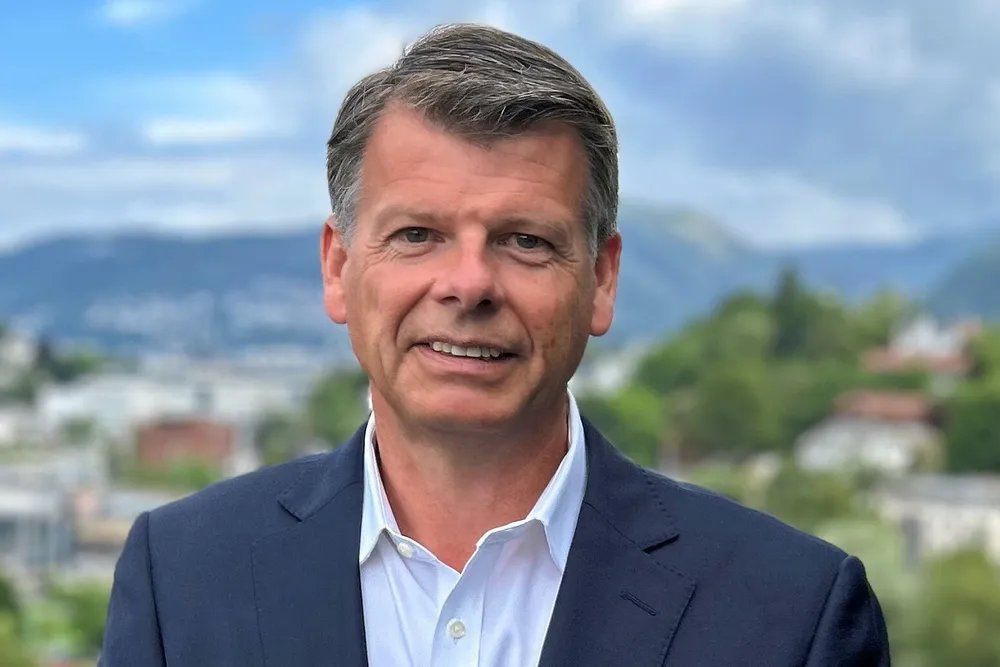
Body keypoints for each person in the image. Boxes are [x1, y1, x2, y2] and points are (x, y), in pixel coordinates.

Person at [99, 22, 891, 667]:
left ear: (601, 279)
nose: (469, 284)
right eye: (418, 234)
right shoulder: (183, 578)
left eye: (525, 241)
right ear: (339, 268)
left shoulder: (794, 615)